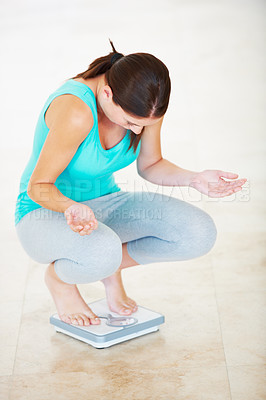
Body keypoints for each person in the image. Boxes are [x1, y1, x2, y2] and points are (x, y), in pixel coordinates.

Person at [14, 39, 247, 328]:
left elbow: (150, 165)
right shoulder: (75, 110)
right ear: (108, 94)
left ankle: (106, 266)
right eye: (129, 123)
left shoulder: (145, 106)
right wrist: (71, 207)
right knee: (103, 251)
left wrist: (194, 178)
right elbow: (39, 185)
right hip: (44, 211)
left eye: (144, 125)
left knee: (198, 233)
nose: (138, 130)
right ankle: (60, 280)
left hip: (106, 203)